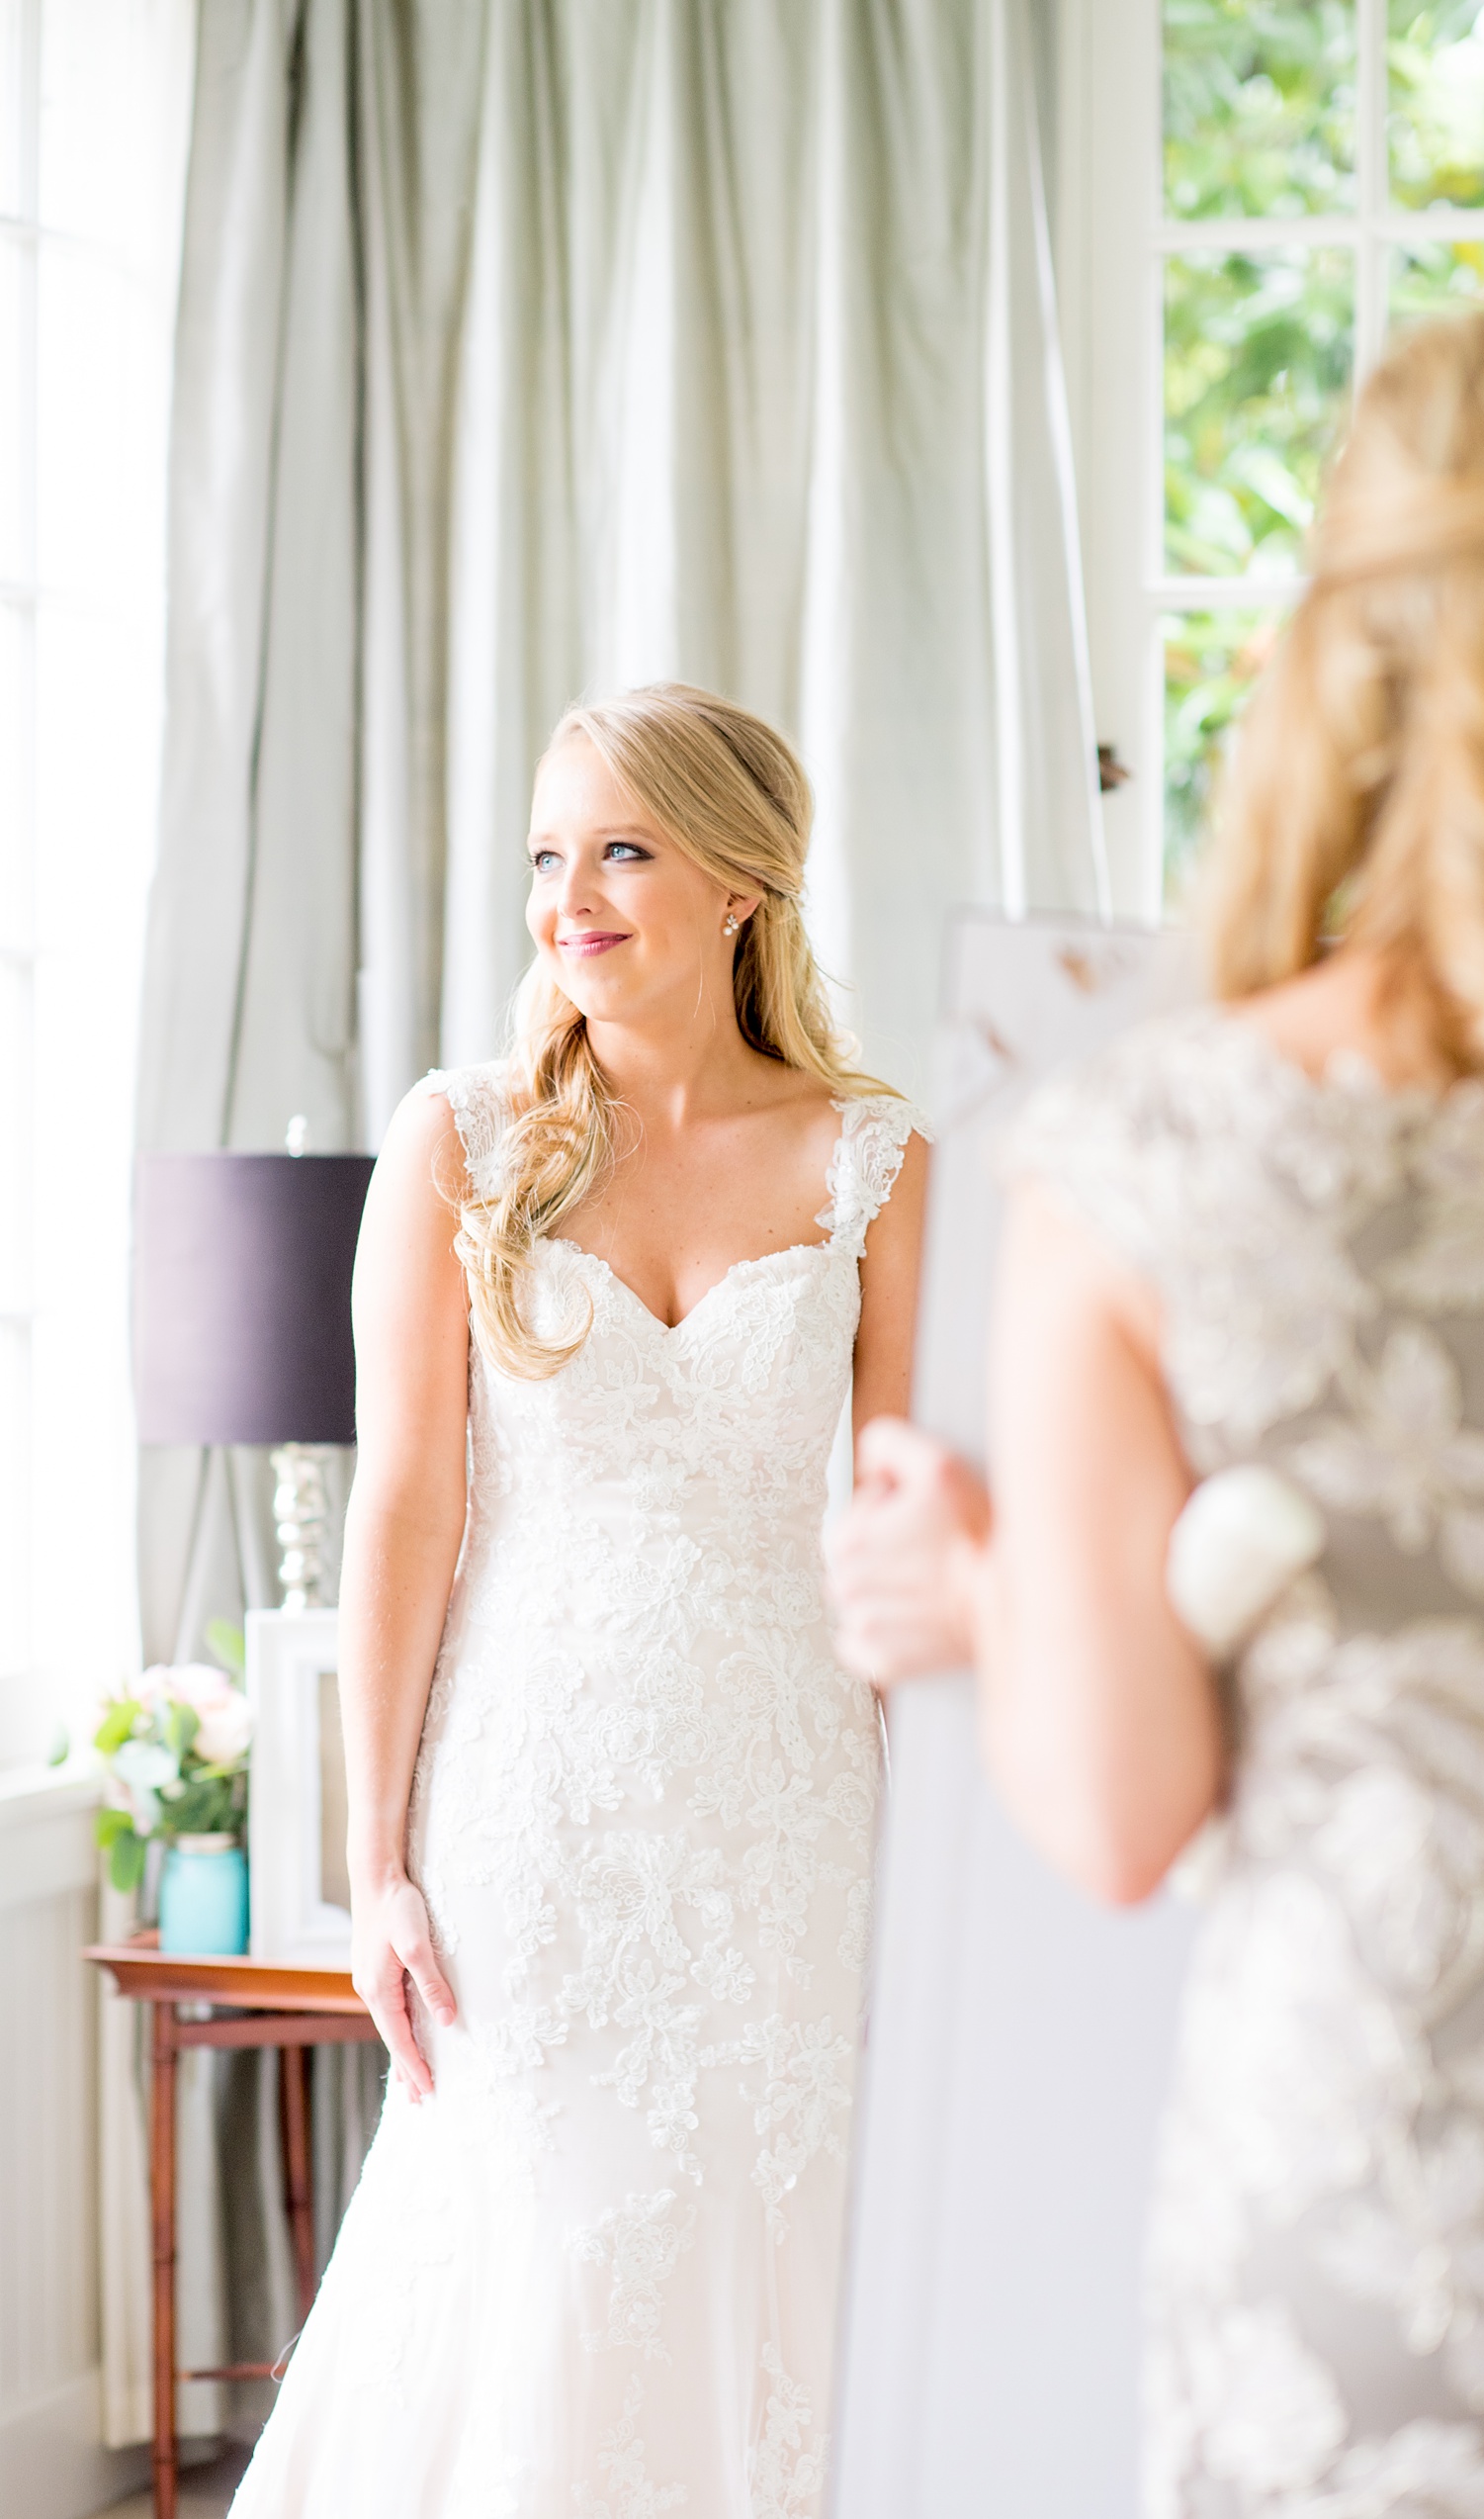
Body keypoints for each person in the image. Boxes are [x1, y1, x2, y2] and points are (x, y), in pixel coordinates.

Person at [827, 316, 1484, 2516]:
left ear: (1338, 655)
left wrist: (998, 1584)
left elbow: (1119, 1808)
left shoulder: (1149, 1157)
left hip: (1385, 2251)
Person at [231, 683, 927, 2517]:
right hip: (531, 1820)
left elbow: (905, 1523)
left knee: (791, 2259)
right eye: (551, 852)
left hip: (799, 1816)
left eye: (622, 848)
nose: (571, 897)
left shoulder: (879, 1162)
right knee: (547, 2262)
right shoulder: (460, 1140)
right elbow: (404, 1507)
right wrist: (375, 1860)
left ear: (742, 887)